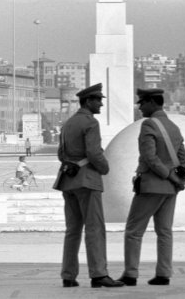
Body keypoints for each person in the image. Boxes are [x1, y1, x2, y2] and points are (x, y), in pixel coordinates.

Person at [53, 83, 124, 288]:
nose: (101, 104)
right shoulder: (90, 123)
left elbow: (60, 154)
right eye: (98, 100)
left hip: (68, 181)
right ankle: (99, 274)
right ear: (88, 101)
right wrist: (105, 168)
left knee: (72, 230)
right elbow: (94, 154)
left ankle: (68, 275)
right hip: (87, 180)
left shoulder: (68, 123)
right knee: (95, 229)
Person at [117, 88, 185, 287]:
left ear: (151, 102)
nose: (139, 107)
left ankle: (131, 274)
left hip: (151, 186)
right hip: (170, 190)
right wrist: (178, 179)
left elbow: (150, 158)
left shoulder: (149, 125)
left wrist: (170, 177)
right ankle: (164, 273)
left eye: (142, 103)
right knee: (165, 231)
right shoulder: (173, 126)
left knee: (134, 231)